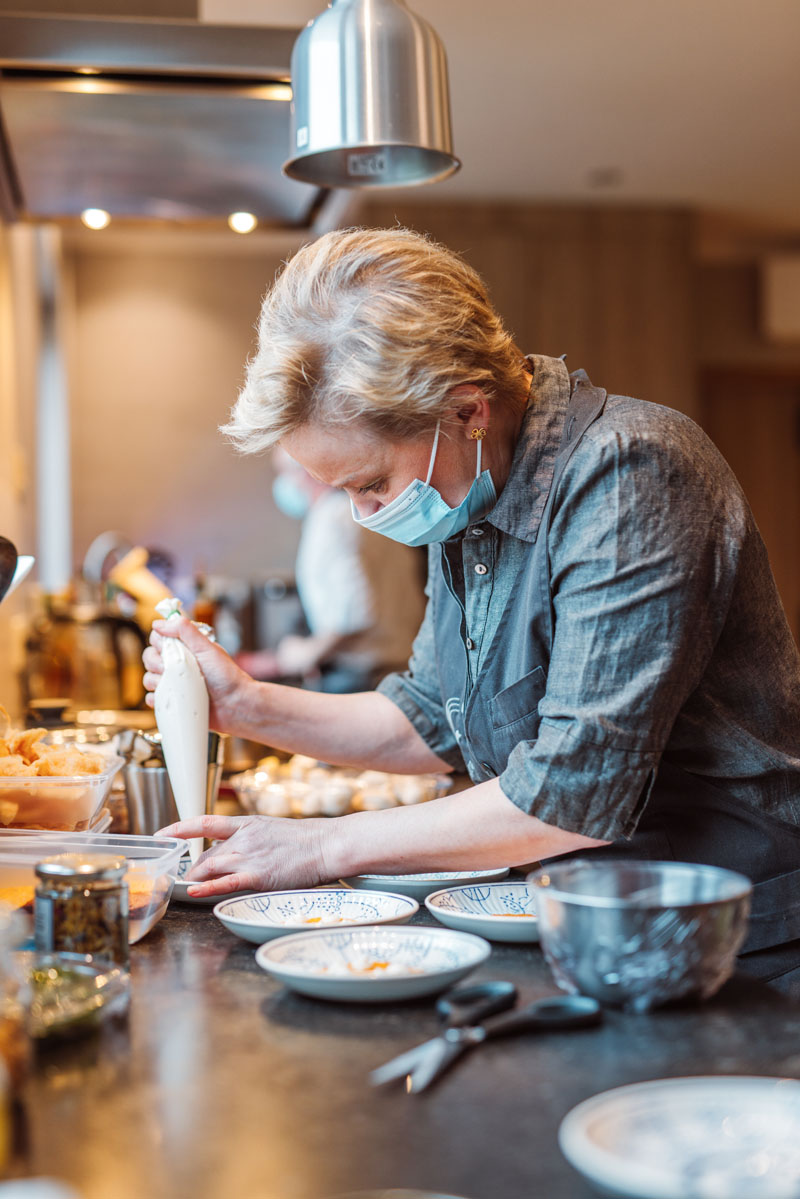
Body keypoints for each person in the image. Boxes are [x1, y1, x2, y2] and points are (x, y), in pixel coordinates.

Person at [144, 226, 800, 994]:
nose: (363, 513)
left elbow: (573, 793)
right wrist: (247, 704)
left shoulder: (631, 473)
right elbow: (428, 716)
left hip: (734, 947)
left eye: (368, 484)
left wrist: (319, 848)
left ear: (467, 410)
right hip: (586, 924)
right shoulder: (474, 496)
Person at [236, 449, 426, 692]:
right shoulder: (366, 512)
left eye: (284, 473)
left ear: (308, 470)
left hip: (361, 675)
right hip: (399, 663)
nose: (284, 484)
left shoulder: (331, 519)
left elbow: (352, 616)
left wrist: (300, 655)